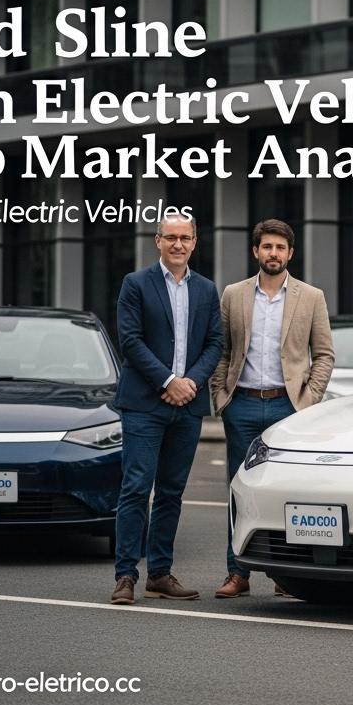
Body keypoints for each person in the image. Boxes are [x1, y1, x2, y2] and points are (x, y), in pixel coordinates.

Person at [211, 219, 335, 599]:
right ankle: (238, 573)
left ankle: (285, 574)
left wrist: (307, 401)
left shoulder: (310, 297)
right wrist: (220, 397)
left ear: (290, 254)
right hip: (242, 405)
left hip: (287, 407)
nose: (273, 254)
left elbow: (325, 355)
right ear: (256, 251)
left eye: (280, 248)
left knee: (287, 492)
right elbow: (223, 350)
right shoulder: (233, 295)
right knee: (239, 490)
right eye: (267, 247)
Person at [110, 215, 223, 605]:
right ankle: (125, 575)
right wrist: (167, 381)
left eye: (185, 238)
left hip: (188, 405)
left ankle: (160, 574)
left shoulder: (207, 290)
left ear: (195, 242)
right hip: (144, 404)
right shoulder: (136, 284)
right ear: (158, 241)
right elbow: (130, 340)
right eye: (170, 237)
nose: (178, 244)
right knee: (136, 488)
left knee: (172, 493)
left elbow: (214, 343)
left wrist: (189, 381)